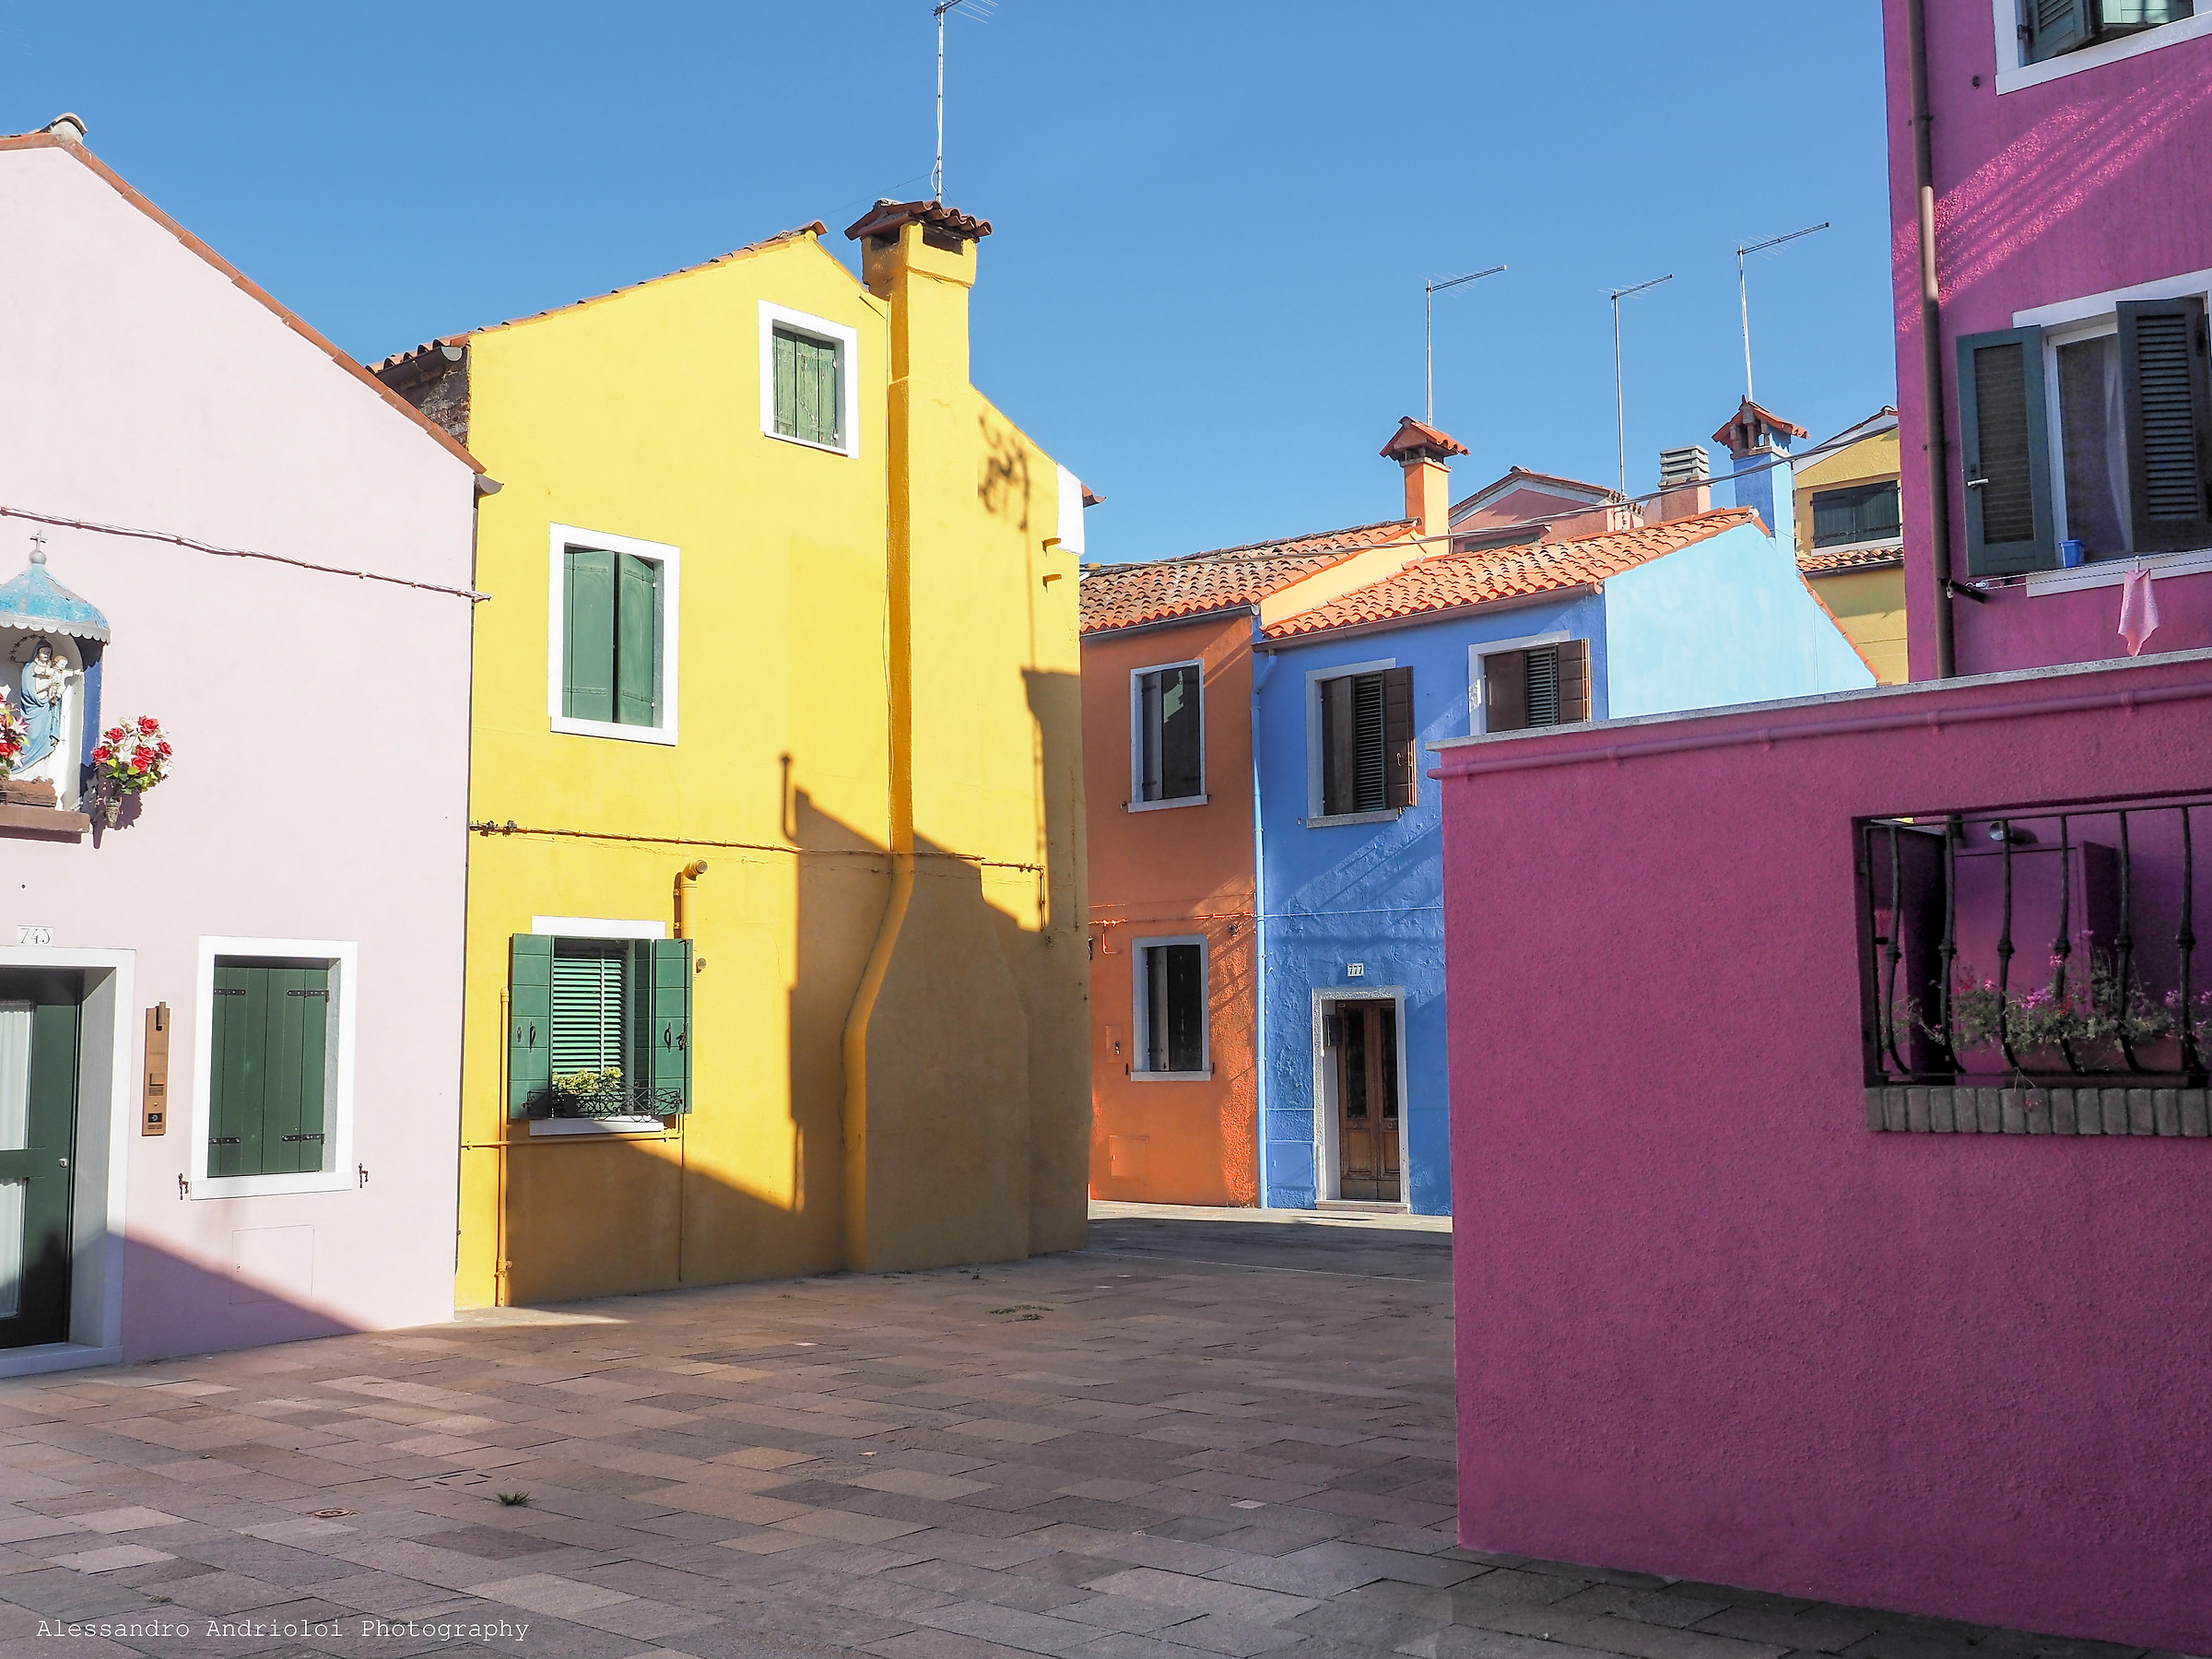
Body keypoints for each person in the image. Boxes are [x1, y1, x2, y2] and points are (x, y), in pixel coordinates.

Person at [16, 641, 66, 772]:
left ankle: (38, 773)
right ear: (37, 652)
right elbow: (30, 689)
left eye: (49, 652)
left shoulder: (51, 669)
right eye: (44, 651)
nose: (46, 654)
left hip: (46, 707)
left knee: (44, 740)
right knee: (31, 736)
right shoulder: (30, 668)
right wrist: (51, 682)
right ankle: (20, 768)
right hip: (33, 707)